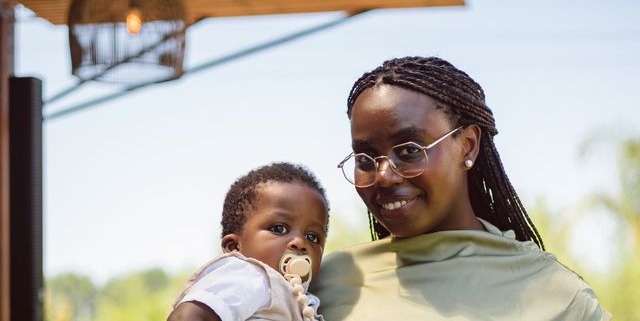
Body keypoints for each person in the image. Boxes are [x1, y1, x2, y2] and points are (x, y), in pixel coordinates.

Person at [311, 56, 611, 320]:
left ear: (467, 146)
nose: (384, 176)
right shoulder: (324, 283)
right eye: (365, 158)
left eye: (409, 151)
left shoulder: (557, 296)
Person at [168, 162, 329, 321]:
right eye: (279, 229)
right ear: (234, 247)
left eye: (312, 237)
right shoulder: (251, 275)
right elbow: (188, 316)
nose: (300, 242)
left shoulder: (305, 301)